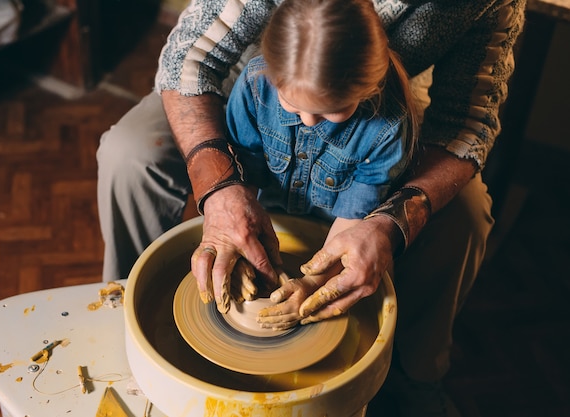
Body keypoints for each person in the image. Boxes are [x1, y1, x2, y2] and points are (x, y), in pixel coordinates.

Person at [96, 0, 526, 414]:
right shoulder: (261, 84)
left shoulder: (387, 122)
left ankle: (413, 377)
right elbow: (190, 58)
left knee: (466, 217)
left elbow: (466, 124)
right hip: (263, 79)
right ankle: (132, 325)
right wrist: (223, 188)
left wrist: (378, 229)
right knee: (128, 154)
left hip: (368, 108)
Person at [222, 0, 418, 326]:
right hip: (267, 218)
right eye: (292, 104)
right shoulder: (255, 85)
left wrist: (315, 283)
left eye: (332, 109)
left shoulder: (387, 124)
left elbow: (354, 217)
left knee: (371, 304)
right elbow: (244, 176)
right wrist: (242, 244)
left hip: (340, 233)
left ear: (368, 87)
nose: (310, 121)